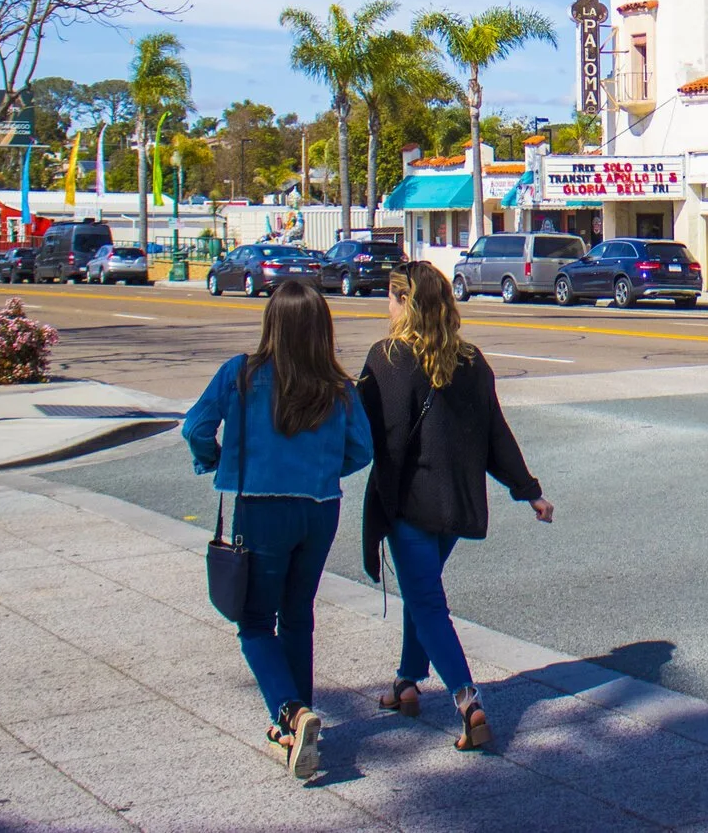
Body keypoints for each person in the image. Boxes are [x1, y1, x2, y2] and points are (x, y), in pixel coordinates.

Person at [361, 260, 553, 751]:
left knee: (426, 600)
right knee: (420, 592)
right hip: (457, 506)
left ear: (406, 304)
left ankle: (468, 700)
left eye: (391, 296)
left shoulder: (387, 357)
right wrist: (528, 490)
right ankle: (406, 682)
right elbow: (496, 437)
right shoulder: (471, 360)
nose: (387, 306)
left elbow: (367, 434)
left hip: (410, 504)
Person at [183, 279, 371, 779]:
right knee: (297, 613)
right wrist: (325, 469)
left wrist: (217, 461)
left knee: (252, 621)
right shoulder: (337, 384)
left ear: (272, 323)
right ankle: (296, 723)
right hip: (319, 508)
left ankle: (289, 712)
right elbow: (362, 450)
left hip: (261, 507)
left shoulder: (240, 374)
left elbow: (195, 429)